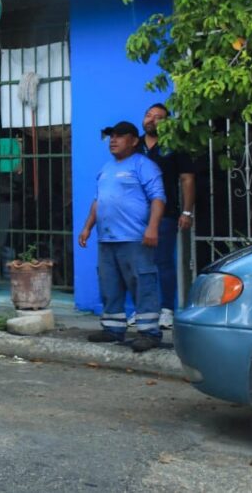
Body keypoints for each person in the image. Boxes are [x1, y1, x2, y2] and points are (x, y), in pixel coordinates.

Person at [78, 121, 166, 352]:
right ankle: (112, 329)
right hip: (107, 239)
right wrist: (87, 227)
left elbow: (158, 198)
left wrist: (153, 227)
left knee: (142, 283)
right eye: (111, 137)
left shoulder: (143, 166)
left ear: (134, 140)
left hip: (135, 238)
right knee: (110, 285)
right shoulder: (106, 169)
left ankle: (149, 333)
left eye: (119, 136)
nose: (113, 140)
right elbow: (99, 201)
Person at [136, 103, 196, 329]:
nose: (152, 120)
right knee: (140, 264)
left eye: (158, 117)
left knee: (163, 261)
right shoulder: (135, 145)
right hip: (135, 216)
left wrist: (187, 211)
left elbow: (187, 179)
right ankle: (145, 311)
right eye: (148, 115)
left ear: (167, 122)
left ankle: (166, 310)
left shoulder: (174, 145)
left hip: (166, 214)